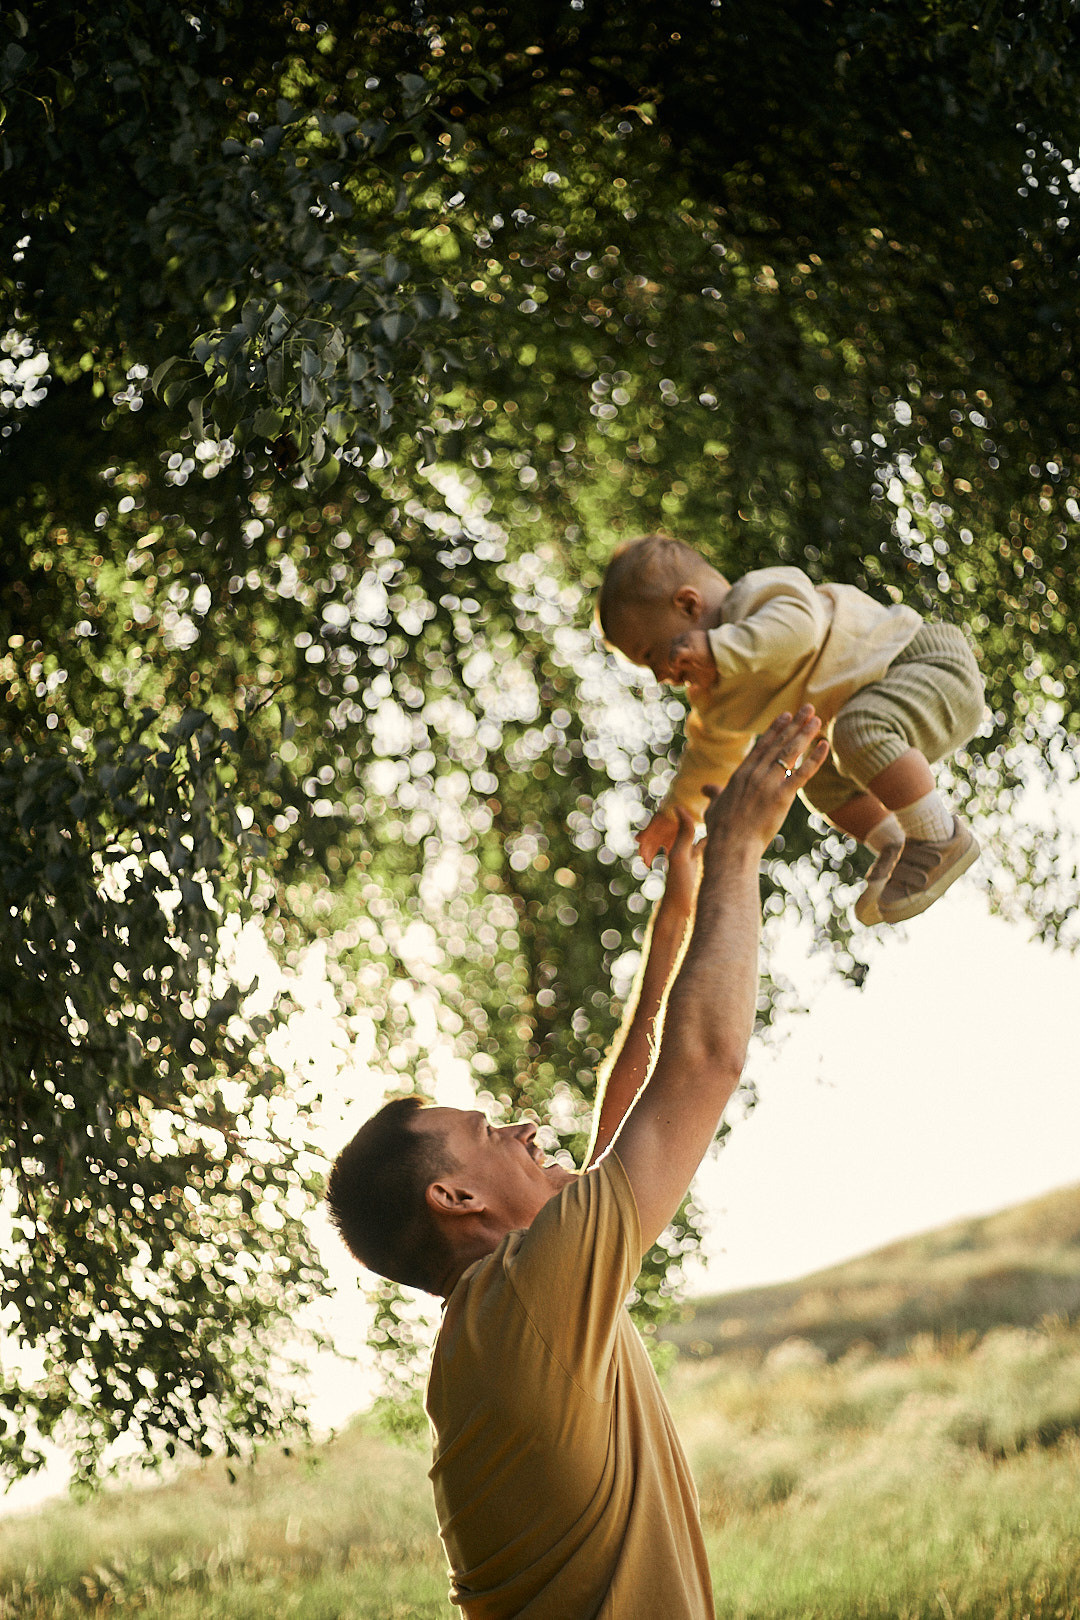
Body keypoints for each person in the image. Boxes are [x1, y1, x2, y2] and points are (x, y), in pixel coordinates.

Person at [326, 708, 828, 1620]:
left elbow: (630, 1094)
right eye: (489, 1131)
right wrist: (739, 848)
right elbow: (704, 1062)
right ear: (455, 1195)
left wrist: (677, 914)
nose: (523, 1129)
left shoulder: (504, 1319)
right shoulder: (528, 1298)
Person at [598, 533, 986, 925]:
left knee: (855, 728)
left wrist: (719, 649)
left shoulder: (753, 598)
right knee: (813, 780)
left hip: (921, 665)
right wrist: (675, 812)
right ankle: (895, 846)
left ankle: (937, 836)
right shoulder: (715, 700)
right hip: (875, 716)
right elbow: (708, 759)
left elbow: (799, 629)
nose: (660, 676)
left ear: (688, 604)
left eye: (652, 655)